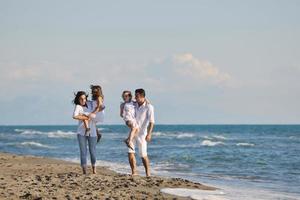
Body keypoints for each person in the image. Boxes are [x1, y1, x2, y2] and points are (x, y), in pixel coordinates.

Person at [127, 88, 155, 177]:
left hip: (142, 134)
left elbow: (152, 121)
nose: (135, 98)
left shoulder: (149, 107)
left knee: (143, 155)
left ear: (142, 97)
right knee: (130, 152)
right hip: (133, 132)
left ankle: (148, 173)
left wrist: (149, 134)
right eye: (135, 96)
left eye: (137, 96)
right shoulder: (134, 104)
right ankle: (134, 172)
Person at [72, 91, 98, 174]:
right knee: (83, 152)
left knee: (93, 152)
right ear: (78, 99)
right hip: (81, 132)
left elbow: (100, 106)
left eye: (84, 98)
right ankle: (84, 172)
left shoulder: (90, 105)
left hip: (92, 131)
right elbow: (74, 116)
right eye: (81, 99)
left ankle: (94, 169)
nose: (83, 100)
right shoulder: (78, 106)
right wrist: (85, 117)